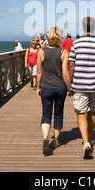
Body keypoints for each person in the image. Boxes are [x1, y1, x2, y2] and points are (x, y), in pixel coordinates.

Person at [68, 17, 95, 159]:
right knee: (92, 112)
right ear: (94, 28)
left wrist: (70, 83)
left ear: (82, 27)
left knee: (81, 113)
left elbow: (71, 65)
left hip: (79, 84)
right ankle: (91, 137)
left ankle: (86, 142)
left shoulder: (76, 43)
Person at [36, 27, 72, 155]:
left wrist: (38, 87)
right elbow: (65, 73)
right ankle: (56, 141)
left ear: (48, 37)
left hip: (46, 86)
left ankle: (45, 137)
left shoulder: (41, 51)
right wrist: (69, 87)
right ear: (59, 38)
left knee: (46, 113)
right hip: (60, 88)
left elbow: (39, 71)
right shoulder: (64, 51)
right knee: (58, 113)